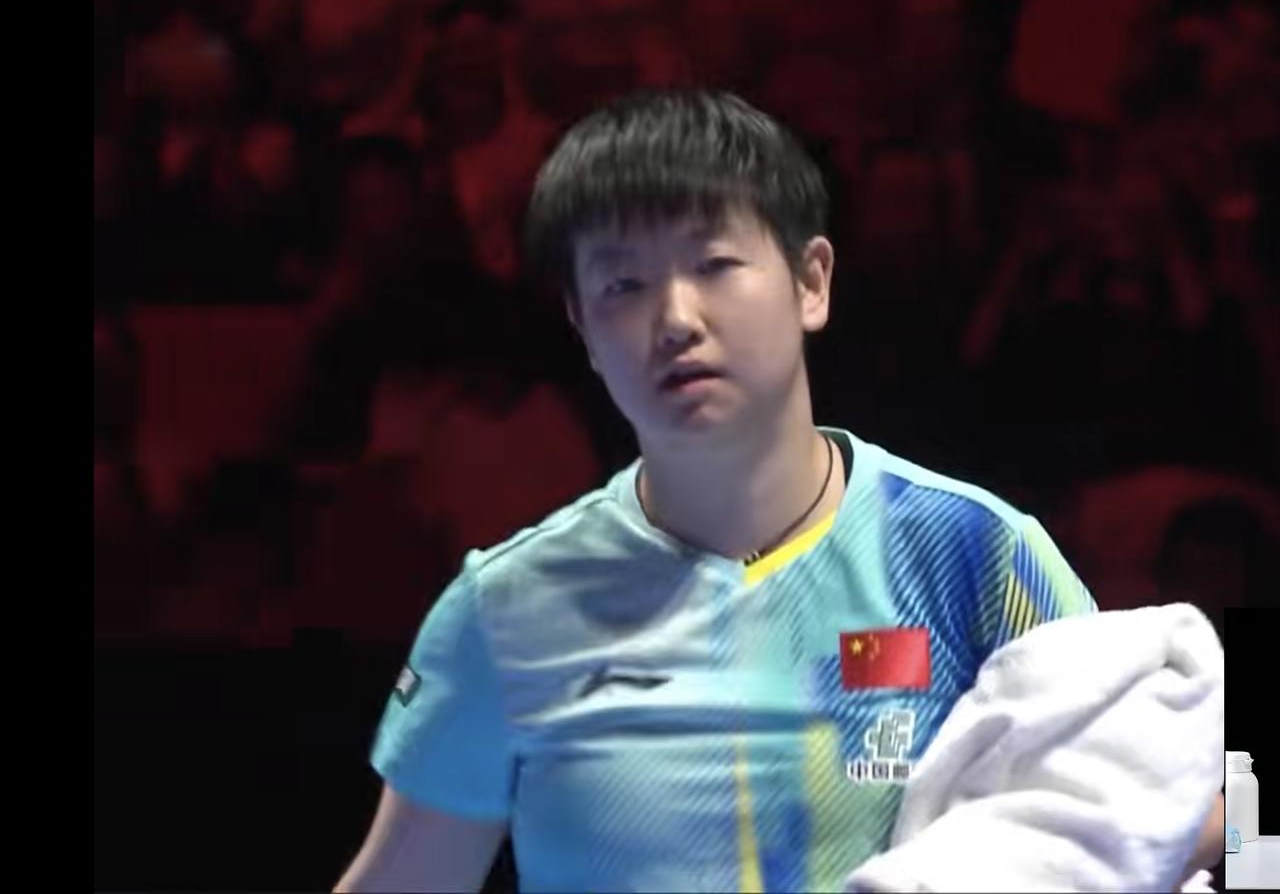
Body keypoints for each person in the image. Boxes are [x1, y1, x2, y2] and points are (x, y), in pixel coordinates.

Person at [336, 88, 1220, 892]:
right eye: (623, 285)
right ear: (583, 329)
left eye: (714, 263)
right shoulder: (505, 611)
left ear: (811, 282)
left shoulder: (975, 555)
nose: (675, 318)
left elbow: (1187, 802)